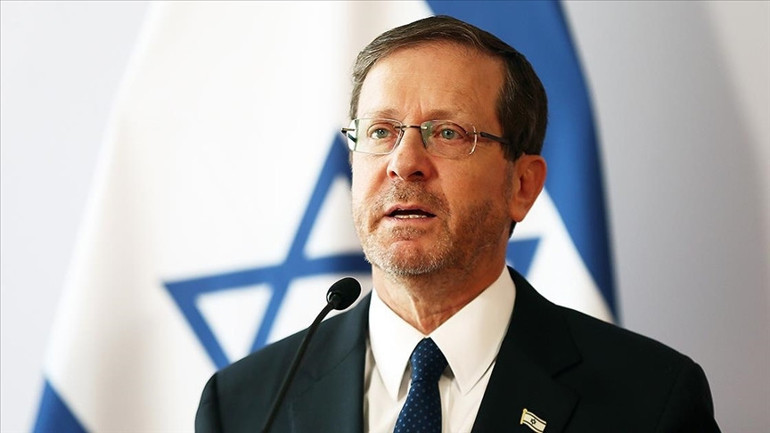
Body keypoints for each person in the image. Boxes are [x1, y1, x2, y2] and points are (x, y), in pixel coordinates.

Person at [195, 15, 721, 433]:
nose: (404, 163)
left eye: (447, 133)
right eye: (380, 131)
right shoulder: (244, 404)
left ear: (522, 185)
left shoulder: (649, 400)